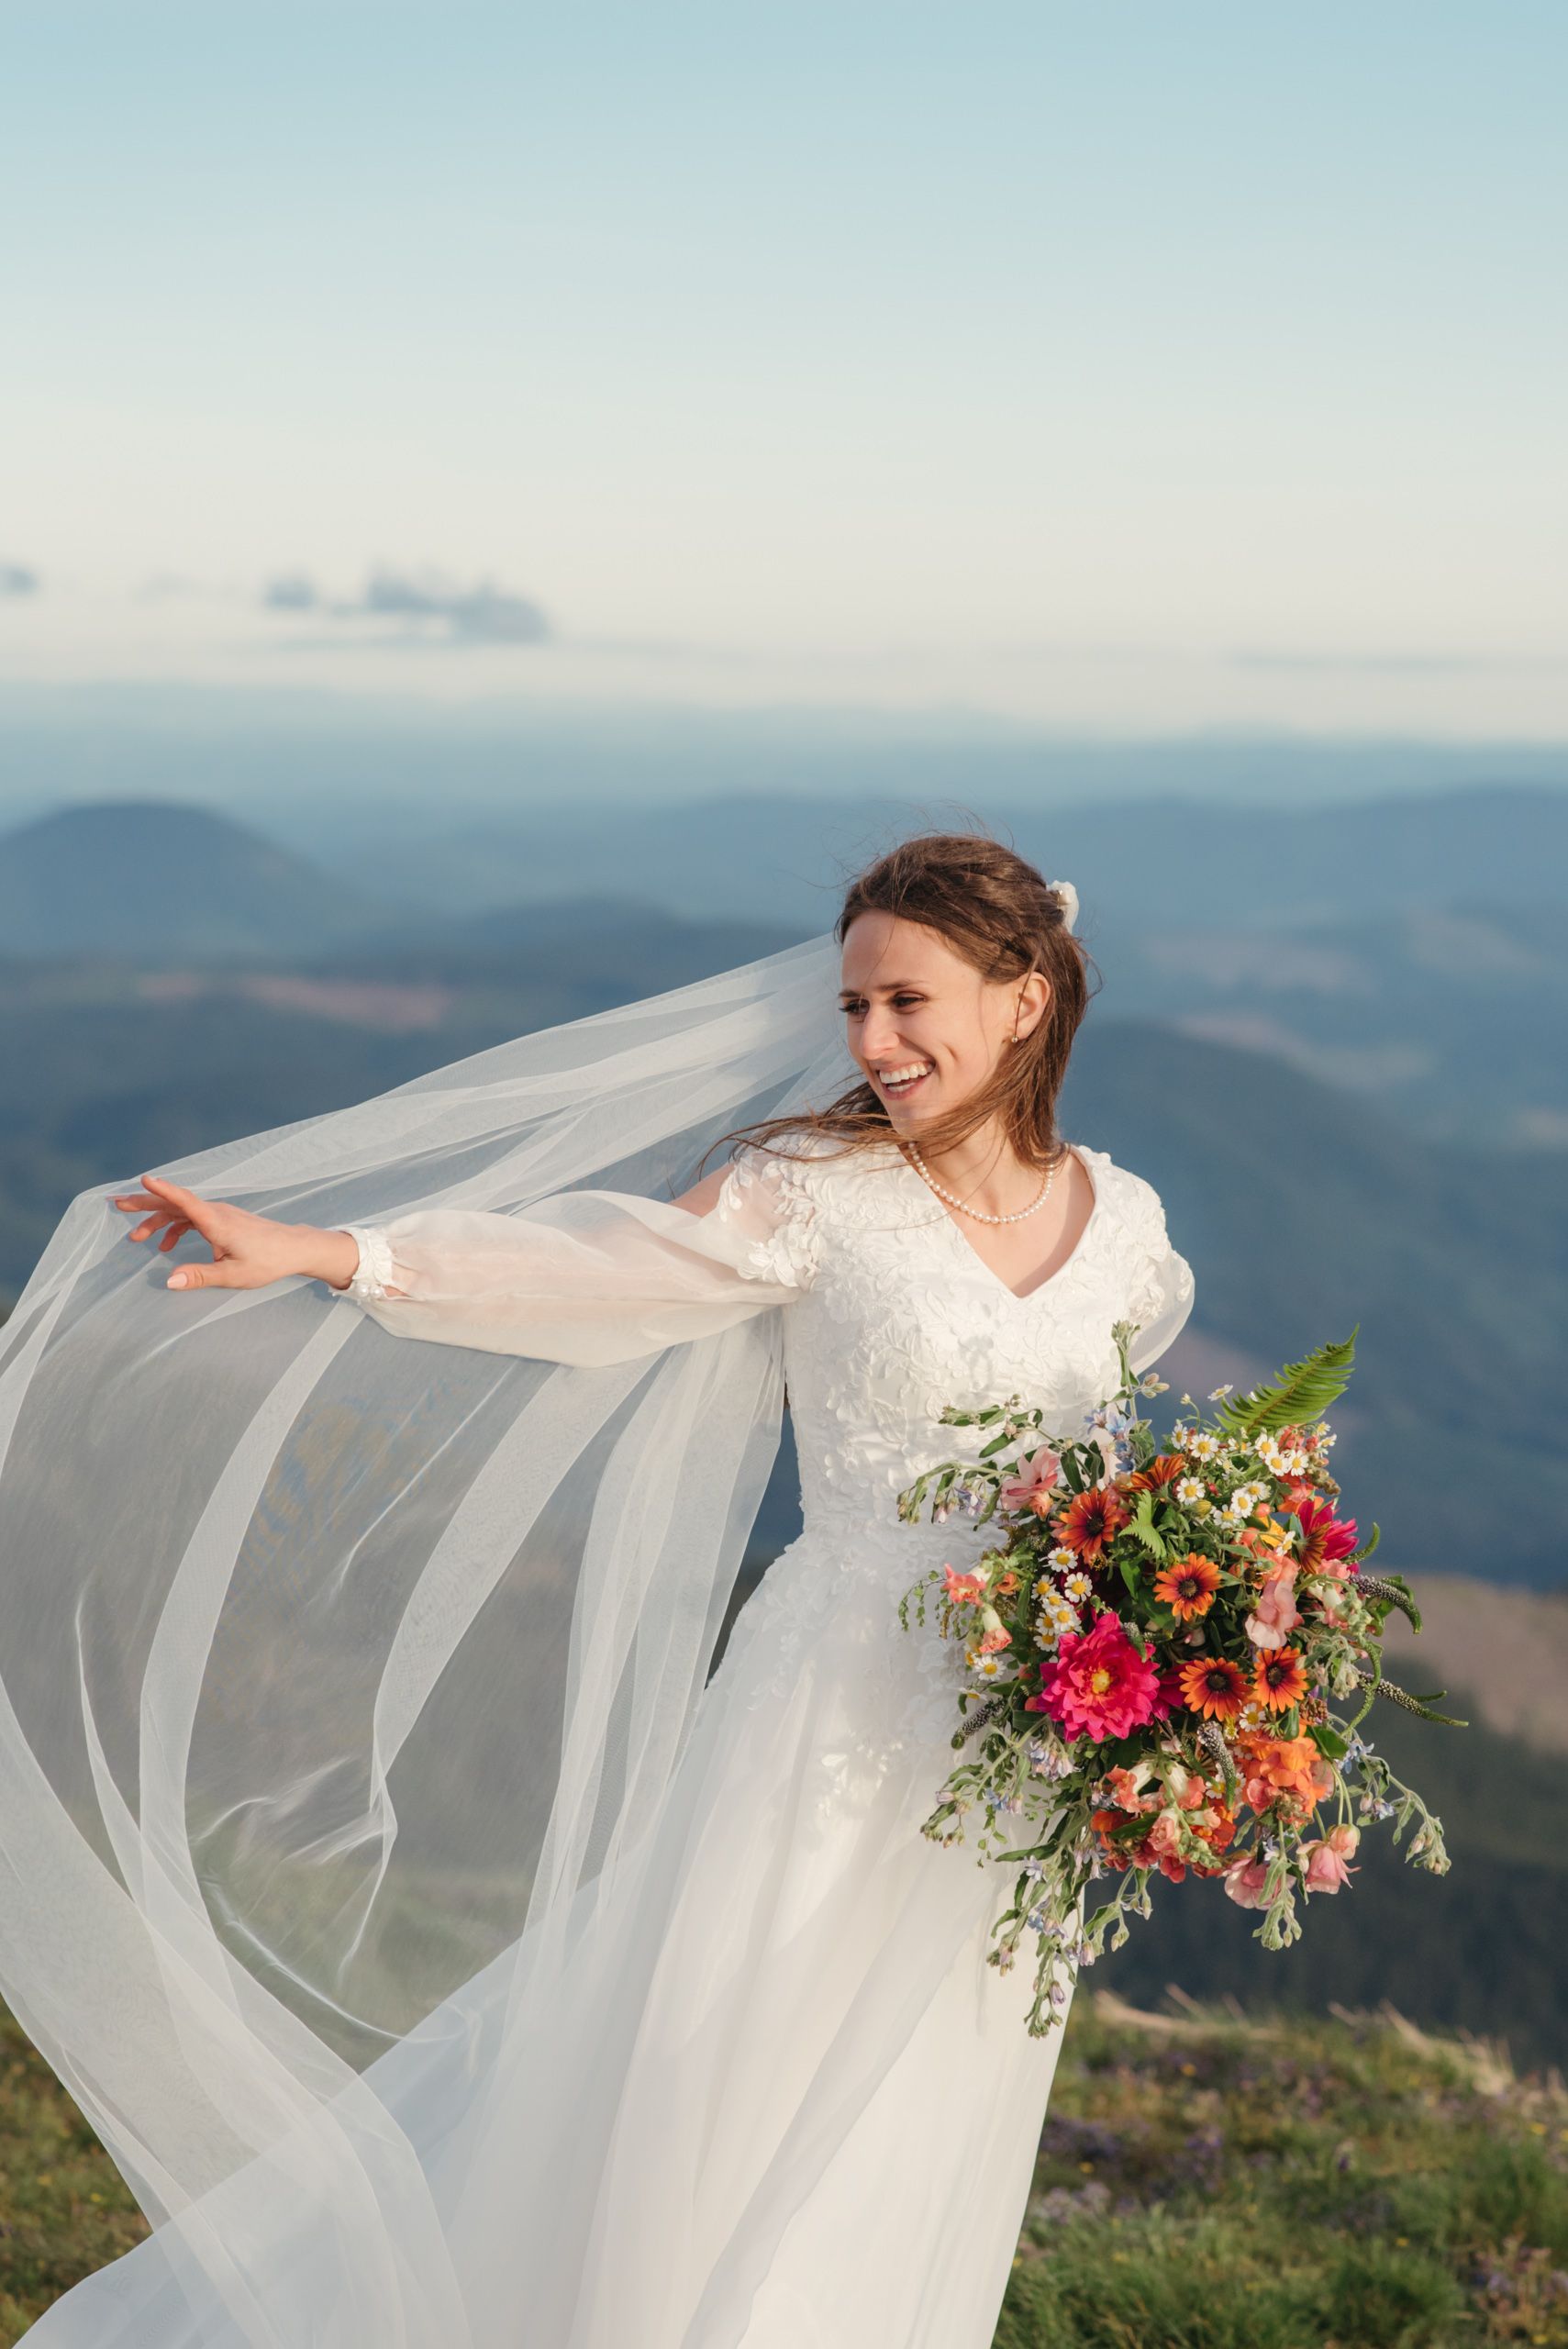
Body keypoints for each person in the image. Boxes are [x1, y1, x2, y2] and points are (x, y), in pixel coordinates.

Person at [5, 832, 1193, 2347]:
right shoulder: (807, 1189)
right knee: (715, 2076)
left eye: (908, 1001)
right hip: (824, 1714)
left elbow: (1110, 1471)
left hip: (1017, 1747)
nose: (873, 1042)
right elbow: (589, 1268)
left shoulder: (1129, 1231)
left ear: (1022, 999)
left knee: (930, 2093)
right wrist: (336, 1252)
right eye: (851, 1009)